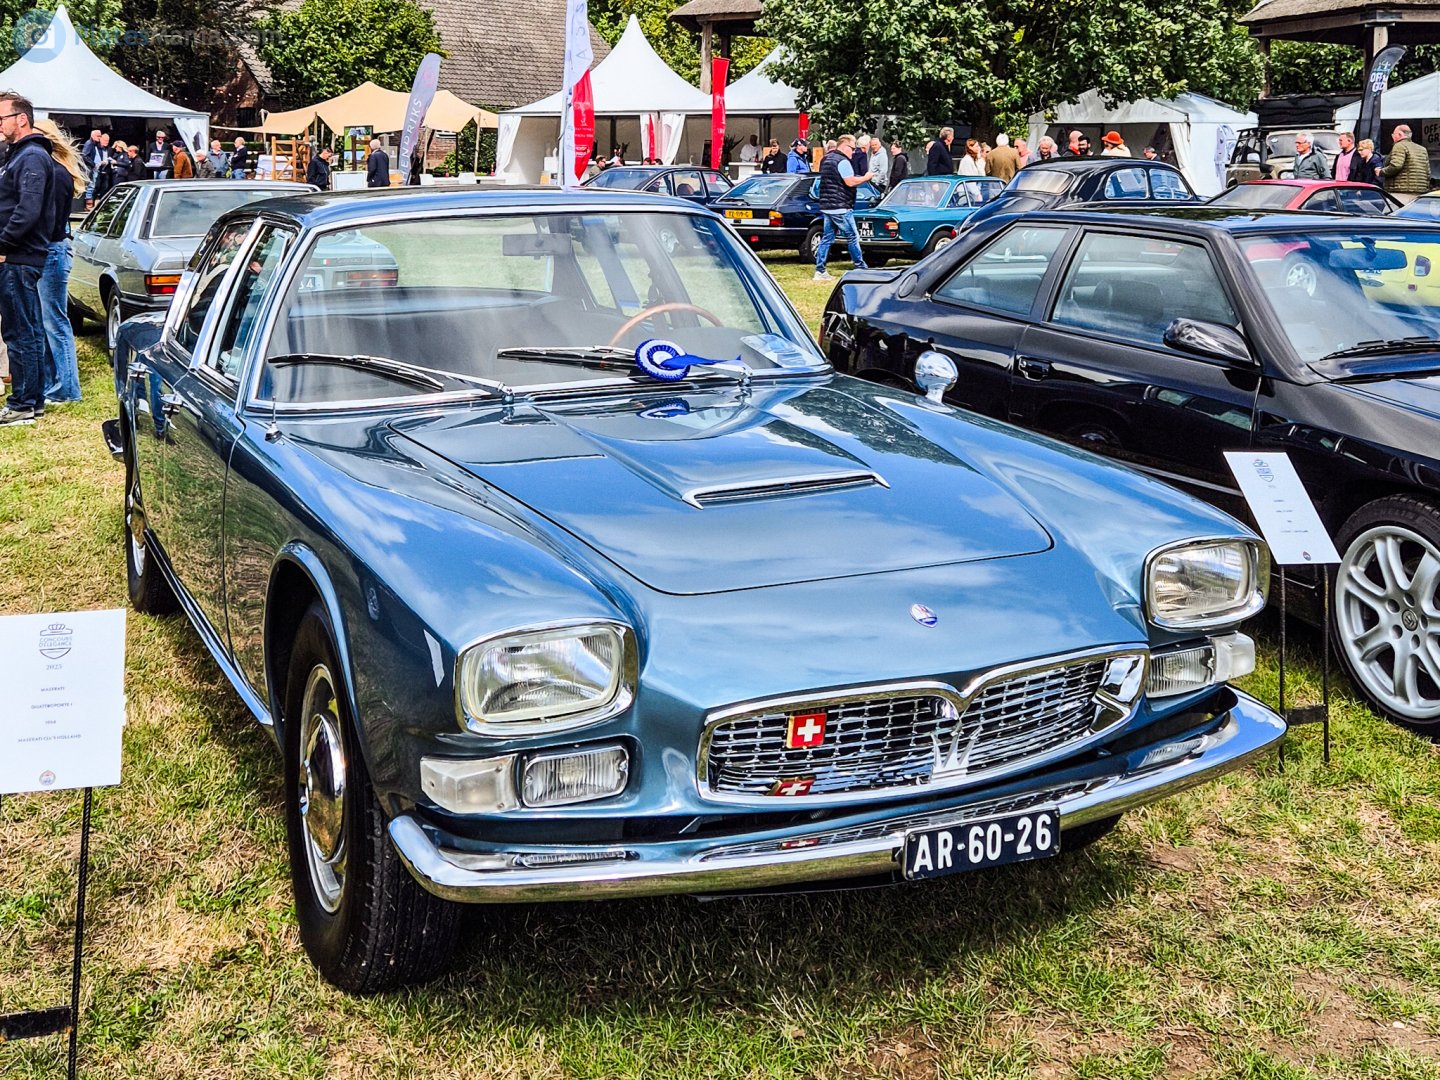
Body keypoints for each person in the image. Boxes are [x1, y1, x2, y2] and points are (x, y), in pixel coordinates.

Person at [0, 93, 57, 426]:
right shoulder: (21, 156)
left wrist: (3, 242)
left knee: (20, 332)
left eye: (2, 118)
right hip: (20, 255)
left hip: (18, 257)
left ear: (21, 118)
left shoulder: (32, 157)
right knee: (29, 330)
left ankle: (22, 403)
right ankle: (31, 400)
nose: (0, 126)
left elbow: (28, 210)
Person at [34, 119, 84, 405]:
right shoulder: (57, 171)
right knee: (47, 320)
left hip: (52, 249)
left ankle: (68, 388)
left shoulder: (55, 173)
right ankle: (55, 384)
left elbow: (49, 222)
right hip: (54, 248)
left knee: (55, 321)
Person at [813, 133, 874, 282]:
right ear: (845, 146)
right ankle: (860, 268)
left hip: (827, 206)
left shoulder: (826, 159)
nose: (853, 153)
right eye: (852, 149)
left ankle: (820, 270)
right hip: (841, 206)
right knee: (852, 236)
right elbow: (850, 182)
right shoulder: (843, 161)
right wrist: (866, 177)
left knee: (827, 238)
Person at [1382, 124, 1430, 204]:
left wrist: (1381, 171)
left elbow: (1396, 166)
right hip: (1419, 193)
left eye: (1393, 134)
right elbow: (1428, 172)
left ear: (1400, 134)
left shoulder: (1399, 146)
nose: (1392, 137)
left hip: (1400, 192)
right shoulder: (1422, 149)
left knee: (1392, 214)